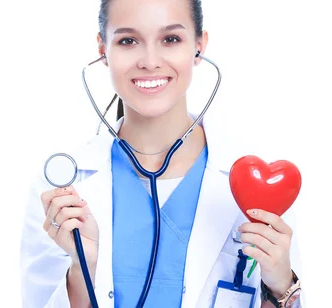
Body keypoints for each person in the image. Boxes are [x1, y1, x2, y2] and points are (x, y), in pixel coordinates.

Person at [19, 0, 304, 307]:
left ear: (199, 46)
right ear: (103, 49)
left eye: (171, 39)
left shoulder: (255, 187)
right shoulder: (61, 191)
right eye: (128, 41)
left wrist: (280, 286)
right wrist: (82, 273)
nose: (150, 61)